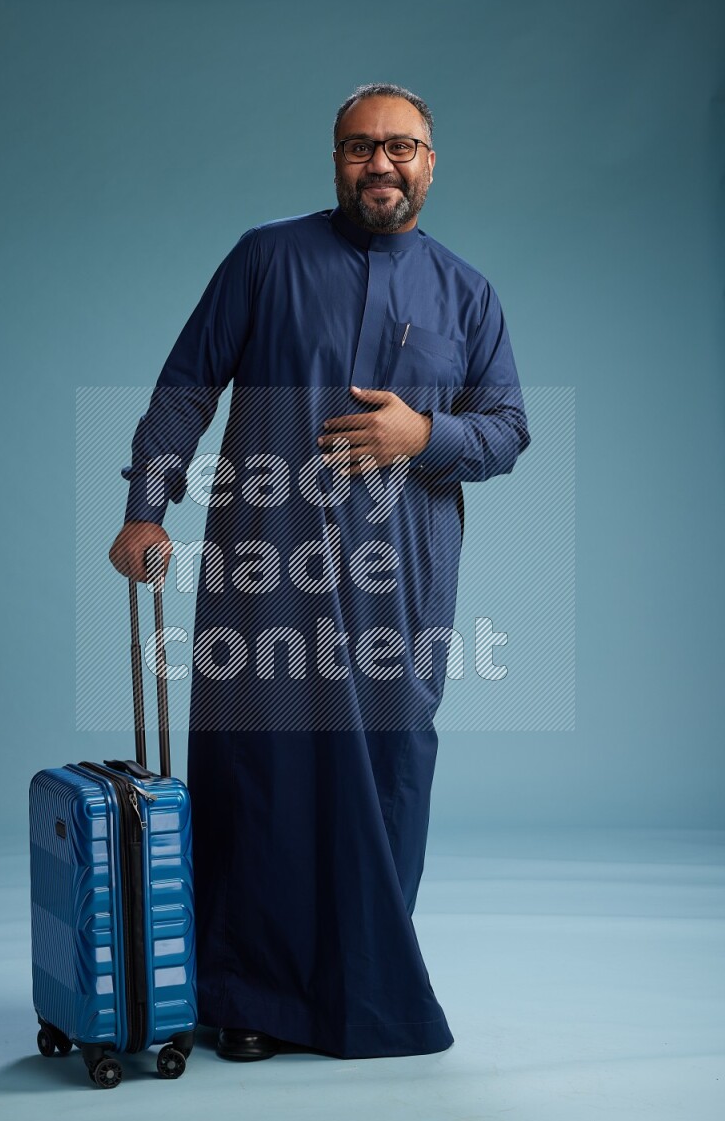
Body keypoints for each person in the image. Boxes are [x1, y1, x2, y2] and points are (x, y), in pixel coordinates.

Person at [109, 82, 530, 1062]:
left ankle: (363, 984)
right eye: (357, 147)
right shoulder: (266, 258)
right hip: (266, 566)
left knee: (386, 772)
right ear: (334, 158)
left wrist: (421, 430)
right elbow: (185, 387)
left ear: (431, 161)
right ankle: (248, 995)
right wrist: (143, 509)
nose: (378, 164)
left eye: (399, 147)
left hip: (400, 582)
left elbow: (505, 429)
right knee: (263, 775)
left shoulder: (465, 293)